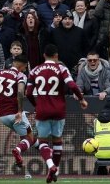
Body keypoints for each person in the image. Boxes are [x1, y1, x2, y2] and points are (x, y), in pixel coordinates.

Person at [26, 44, 88, 183]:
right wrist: (82, 99)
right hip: (59, 109)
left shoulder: (35, 70)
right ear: (56, 56)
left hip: (42, 110)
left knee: (42, 142)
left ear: (44, 56)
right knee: (57, 140)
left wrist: (37, 105)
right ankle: (55, 169)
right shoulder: (61, 68)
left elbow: (28, 93)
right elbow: (72, 85)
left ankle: (51, 166)